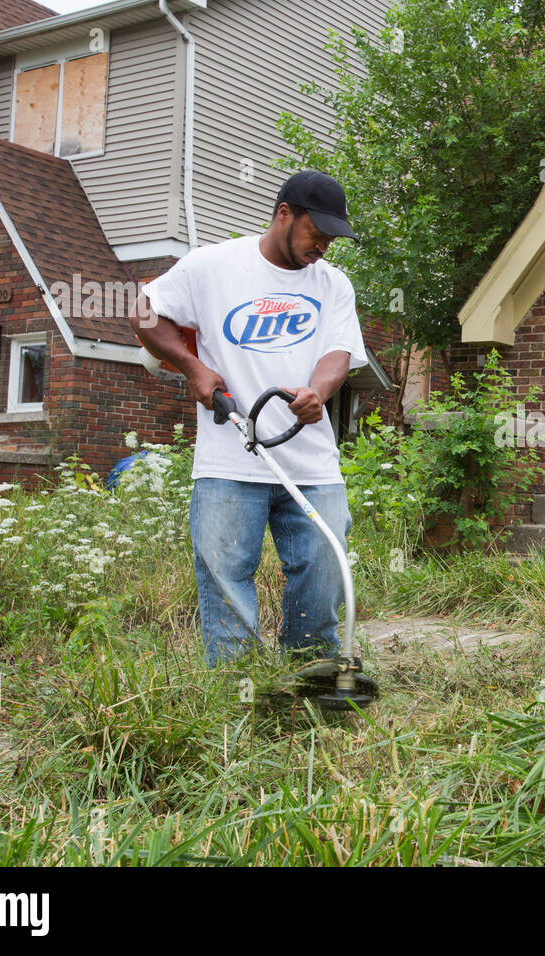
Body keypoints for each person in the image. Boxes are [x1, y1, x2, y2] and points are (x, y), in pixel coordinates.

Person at [134, 170, 367, 667]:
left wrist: (318, 393)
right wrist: (193, 366)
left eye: (331, 237)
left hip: (310, 461)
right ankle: (241, 687)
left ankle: (311, 668)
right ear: (284, 213)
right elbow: (145, 311)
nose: (323, 245)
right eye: (316, 232)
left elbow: (339, 352)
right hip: (230, 458)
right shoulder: (211, 266)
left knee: (324, 565)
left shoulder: (333, 285)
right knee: (226, 573)